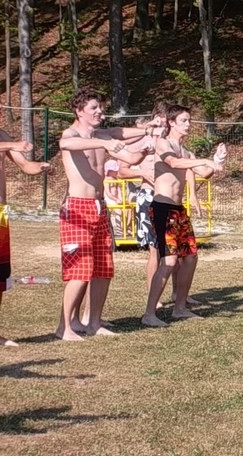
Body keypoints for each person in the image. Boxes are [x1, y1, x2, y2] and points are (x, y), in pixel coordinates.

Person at [55, 88, 161, 341]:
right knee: (80, 270)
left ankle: (93, 322)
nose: (99, 111)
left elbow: (127, 150)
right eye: (93, 107)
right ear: (79, 111)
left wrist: (146, 141)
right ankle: (64, 327)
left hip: (99, 206)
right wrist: (105, 142)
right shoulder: (72, 135)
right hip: (77, 207)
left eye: (101, 107)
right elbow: (65, 144)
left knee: (103, 268)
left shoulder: (103, 136)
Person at [141, 104, 227, 327]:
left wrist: (217, 160)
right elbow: (173, 162)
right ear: (171, 123)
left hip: (178, 210)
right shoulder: (163, 143)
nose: (188, 125)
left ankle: (179, 308)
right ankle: (149, 313)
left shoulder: (187, 151)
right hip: (162, 208)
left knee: (190, 257)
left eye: (189, 120)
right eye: (184, 121)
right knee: (169, 261)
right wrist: (204, 160)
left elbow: (204, 174)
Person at [118, 103, 201, 307]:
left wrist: (193, 193)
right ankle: (153, 301)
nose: (162, 126)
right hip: (150, 198)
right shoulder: (146, 142)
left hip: (175, 204)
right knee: (158, 252)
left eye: (164, 122)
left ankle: (178, 297)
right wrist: (142, 172)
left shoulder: (179, 147)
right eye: (159, 122)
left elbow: (188, 169)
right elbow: (121, 170)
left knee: (183, 255)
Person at [0, 131, 52, 347]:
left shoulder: (3, 136)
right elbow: (11, 147)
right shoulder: (7, 142)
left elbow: (25, 165)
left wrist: (41, 167)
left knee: (0, 277)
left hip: (0, 214)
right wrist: (12, 145)